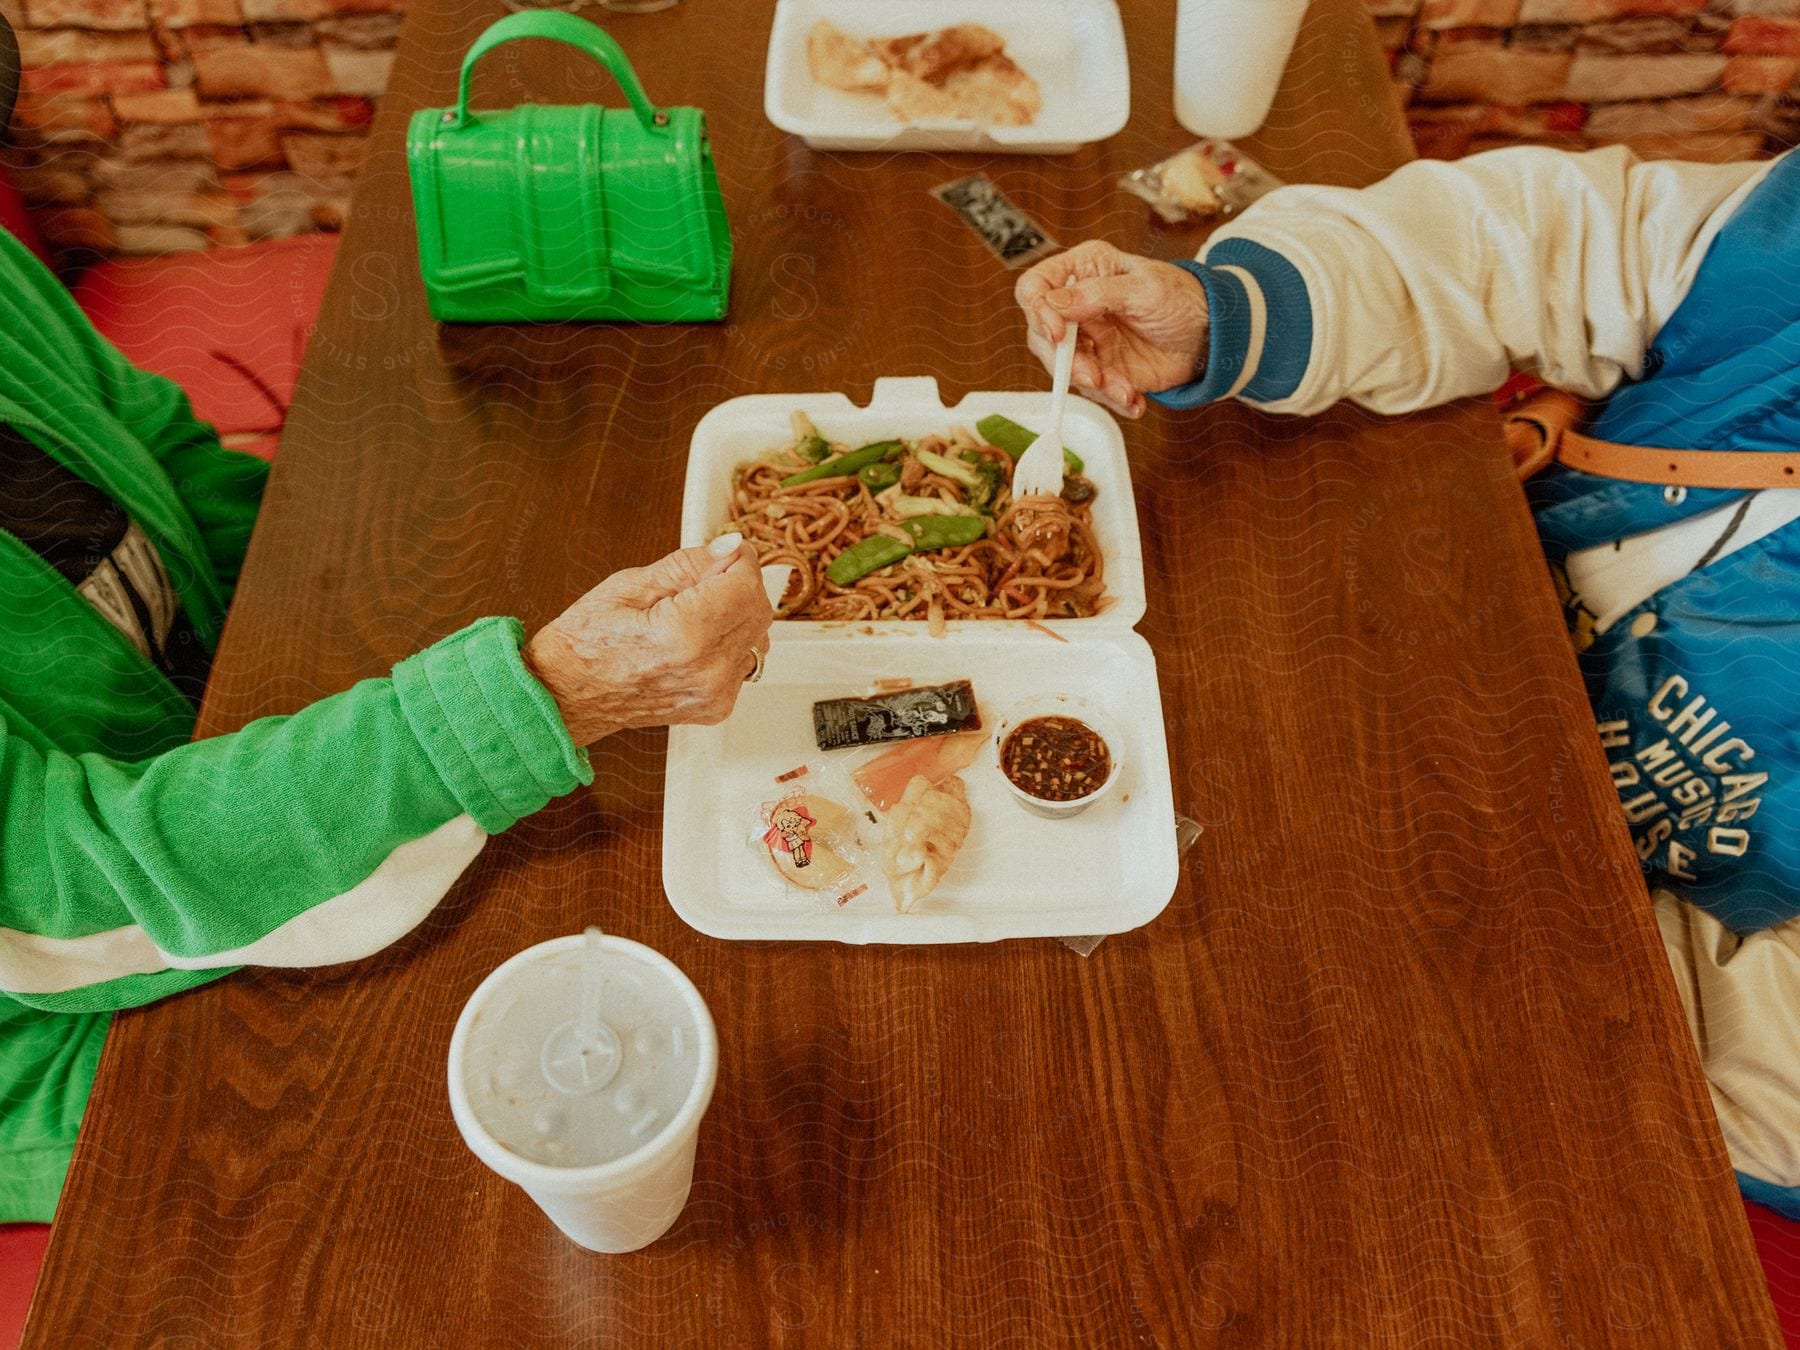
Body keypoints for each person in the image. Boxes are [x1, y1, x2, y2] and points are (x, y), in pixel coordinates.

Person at [0, 12, 772, 1224]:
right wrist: (534, 700)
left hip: (222, 768)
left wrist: (362, 619)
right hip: (70, 1012)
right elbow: (63, 892)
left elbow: (161, 445)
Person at [1017, 144, 1800, 1219]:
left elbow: (1770, 1094)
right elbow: (1542, 240)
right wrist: (1228, 314)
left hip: (1543, 977)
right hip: (1416, 655)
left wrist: (1455, 913)